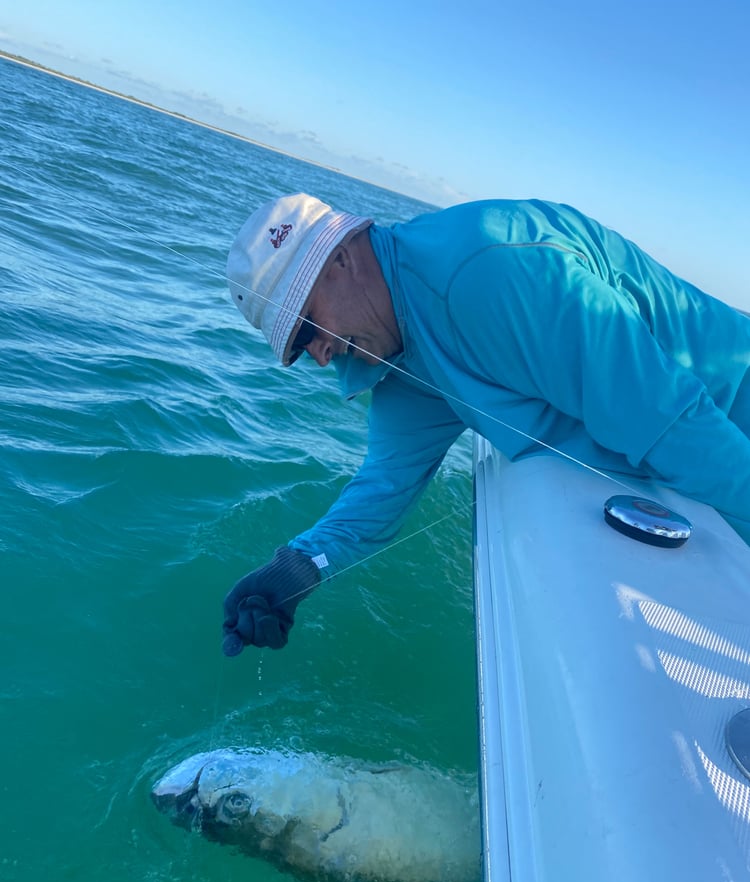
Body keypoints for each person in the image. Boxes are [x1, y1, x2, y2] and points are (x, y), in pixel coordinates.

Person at [221, 193, 750, 656]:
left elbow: (677, 427)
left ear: (339, 260)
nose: (319, 355)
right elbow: (385, 484)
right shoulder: (399, 354)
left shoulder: (489, 273)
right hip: (686, 466)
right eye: (297, 348)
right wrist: (298, 567)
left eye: (309, 325)